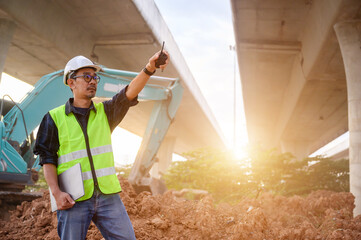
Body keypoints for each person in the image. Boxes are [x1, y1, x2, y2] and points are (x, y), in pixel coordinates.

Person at [33, 50, 169, 240]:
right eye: (86, 76)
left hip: (108, 196)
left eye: (95, 77)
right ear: (71, 82)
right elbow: (47, 157)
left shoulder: (105, 112)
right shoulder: (54, 118)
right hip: (74, 198)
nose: (93, 81)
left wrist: (150, 68)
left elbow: (128, 93)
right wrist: (56, 193)